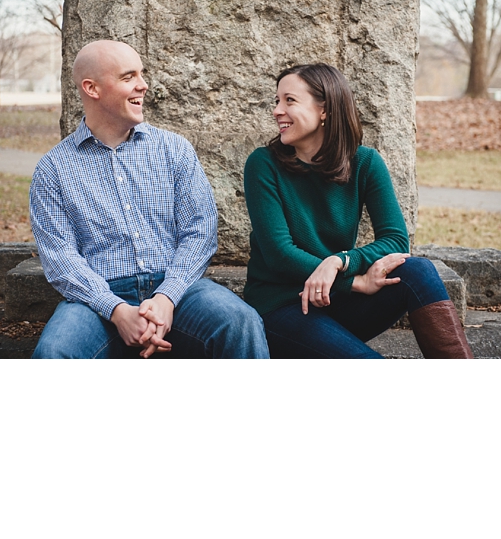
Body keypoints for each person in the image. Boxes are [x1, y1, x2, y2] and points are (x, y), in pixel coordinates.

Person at [30, 41, 267, 358]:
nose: (143, 85)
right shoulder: (53, 170)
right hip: (96, 300)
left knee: (241, 322)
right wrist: (115, 309)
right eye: (129, 77)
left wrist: (167, 297)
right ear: (92, 88)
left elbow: (200, 230)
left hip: (177, 289)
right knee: (54, 353)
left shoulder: (174, 149)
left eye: (141, 74)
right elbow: (61, 258)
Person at [244, 64, 472, 358]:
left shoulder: (365, 162)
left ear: (324, 110)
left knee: (418, 271)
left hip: (335, 300)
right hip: (284, 308)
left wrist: (339, 262)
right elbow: (278, 253)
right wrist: (354, 282)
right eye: (276, 101)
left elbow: (395, 241)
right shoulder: (263, 164)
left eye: (289, 100)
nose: (277, 110)